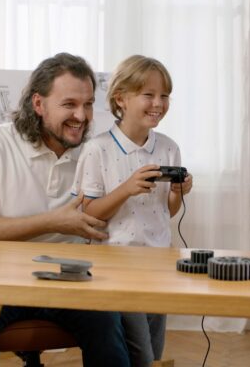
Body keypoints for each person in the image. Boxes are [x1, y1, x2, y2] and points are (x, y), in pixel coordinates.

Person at [0, 53, 130, 367]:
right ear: (38, 104)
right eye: (69, 104)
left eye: (87, 104)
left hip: (70, 280)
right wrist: (53, 222)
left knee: (108, 327)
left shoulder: (95, 151)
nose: (81, 116)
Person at [72, 55, 193, 367]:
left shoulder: (168, 147)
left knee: (154, 348)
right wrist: (126, 188)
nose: (158, 103)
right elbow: (88, 213)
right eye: (148, 95)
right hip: (115, 264)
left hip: (159, 259)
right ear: (121, 99)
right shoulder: (98, 149)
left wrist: (177, 193)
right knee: (140, 352)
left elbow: (167, 210)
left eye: (164, 96)